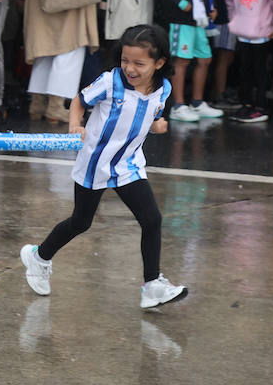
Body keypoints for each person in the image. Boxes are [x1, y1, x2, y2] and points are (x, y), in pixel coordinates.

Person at [18, 24, 186, 310]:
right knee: (80, 223)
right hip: (95, 163)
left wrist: (158, 125)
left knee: (152, 220)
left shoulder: (164, 89)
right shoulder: (110, 82)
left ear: (158, 64)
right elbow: (78, 102)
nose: (129, 68)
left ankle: (152, 285)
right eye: (125, 60)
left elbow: (152, 115)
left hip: (129, 165)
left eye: (138, 63)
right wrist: (75, 126)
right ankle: (39, 256)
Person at [155, 0, 221, 122]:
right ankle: (178, 105)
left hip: (200, 20)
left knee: (204, 59)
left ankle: (198, 102)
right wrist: (182, 3)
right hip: (182, 20)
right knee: (181, 61)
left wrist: (212, 7)